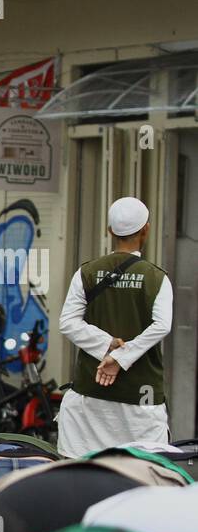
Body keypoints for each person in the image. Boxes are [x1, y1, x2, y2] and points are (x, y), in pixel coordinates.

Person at [56, 196, 172, 457]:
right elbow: (162, 325)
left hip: (90, 396)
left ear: (110, 231)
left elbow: (68, 323)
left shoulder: (86, 272)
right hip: (141, 400)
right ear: (146, 229)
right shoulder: (157, 277)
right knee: (142, 478)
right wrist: (122, 357)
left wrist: (108, 344)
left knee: (83, 478)